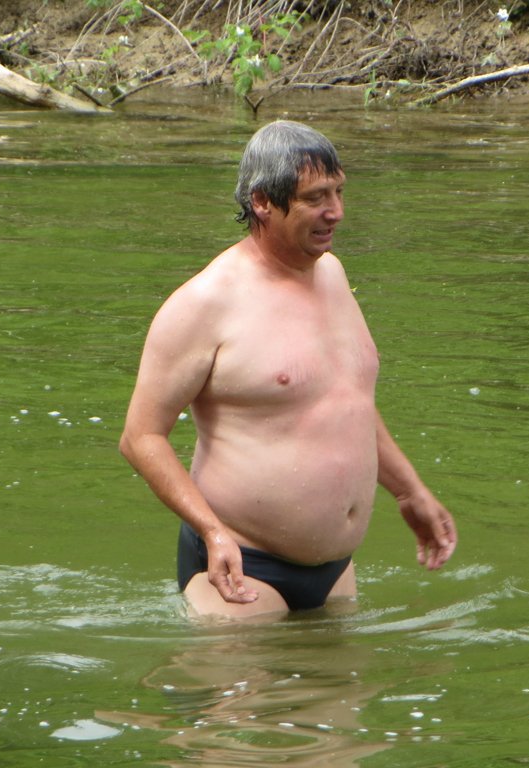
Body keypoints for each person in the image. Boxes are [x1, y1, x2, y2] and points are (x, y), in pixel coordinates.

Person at [119, 120, 457, 618]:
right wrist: (212, 531)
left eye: (339, 192)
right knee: (247, 674)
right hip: (240, 564)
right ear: (262, 201)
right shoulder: (205, 303)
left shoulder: (332, 275)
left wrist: (408, 491)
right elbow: (141, 437)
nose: (336, 212)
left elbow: (347, 403)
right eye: (316, 198)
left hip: (335, 570)